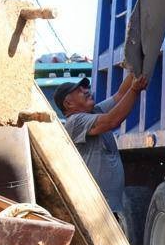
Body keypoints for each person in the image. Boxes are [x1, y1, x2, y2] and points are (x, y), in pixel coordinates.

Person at [55, 72, 147, 216]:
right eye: (79, 91)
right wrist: (135, 90)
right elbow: (112, 121)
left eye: (86, 88)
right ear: (68, 104)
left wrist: (134, 70)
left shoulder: (94, 111)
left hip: (105, 209)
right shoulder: (75, 121)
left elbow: (120, 95)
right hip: (93, 211)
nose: (87, 91)